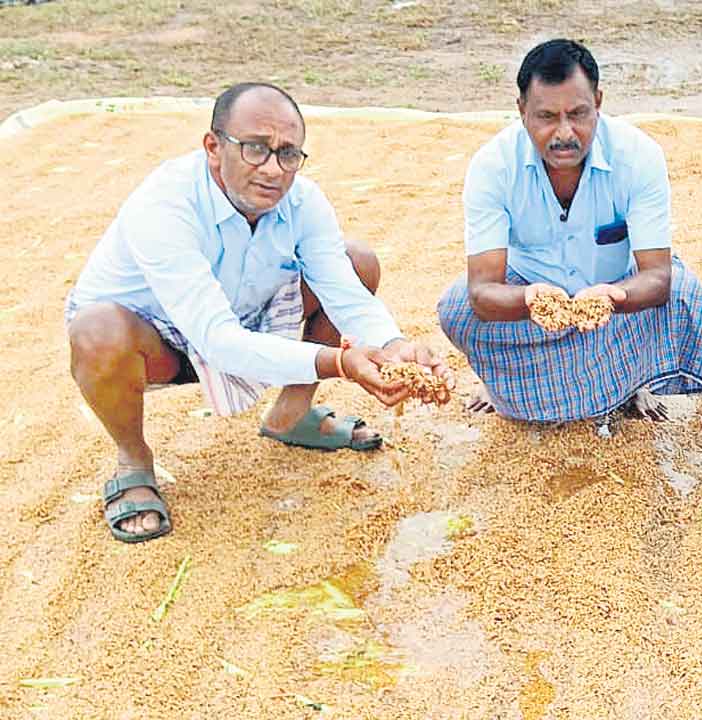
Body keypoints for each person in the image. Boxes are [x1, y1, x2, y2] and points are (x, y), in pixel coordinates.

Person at [66, 82, 451, 544]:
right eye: (256, 149)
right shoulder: (166, 203)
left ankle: (290, 416)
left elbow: (344, 290)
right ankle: (133, 460)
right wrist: (340, 364)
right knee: (95, 330)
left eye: (288, 153)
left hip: (249, 320)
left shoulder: (303, 201)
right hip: (157, 340)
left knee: (357, 260)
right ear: (213, 147)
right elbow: (215, 340)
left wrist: (395, 348)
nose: (273, 169)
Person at [437, 39, 702, 425]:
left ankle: (631, 383)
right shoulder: (493, 166)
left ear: (599, 102)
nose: (565, 133)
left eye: (578, 113)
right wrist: (530, 299)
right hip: (530, 296)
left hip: (615, 295)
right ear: (522, 111)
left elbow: (657, 276)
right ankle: (505, 384)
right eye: (546, 117)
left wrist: (615, 296)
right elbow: (482, 292)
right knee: (456, 311)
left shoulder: (639, 155)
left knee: (684, 296)